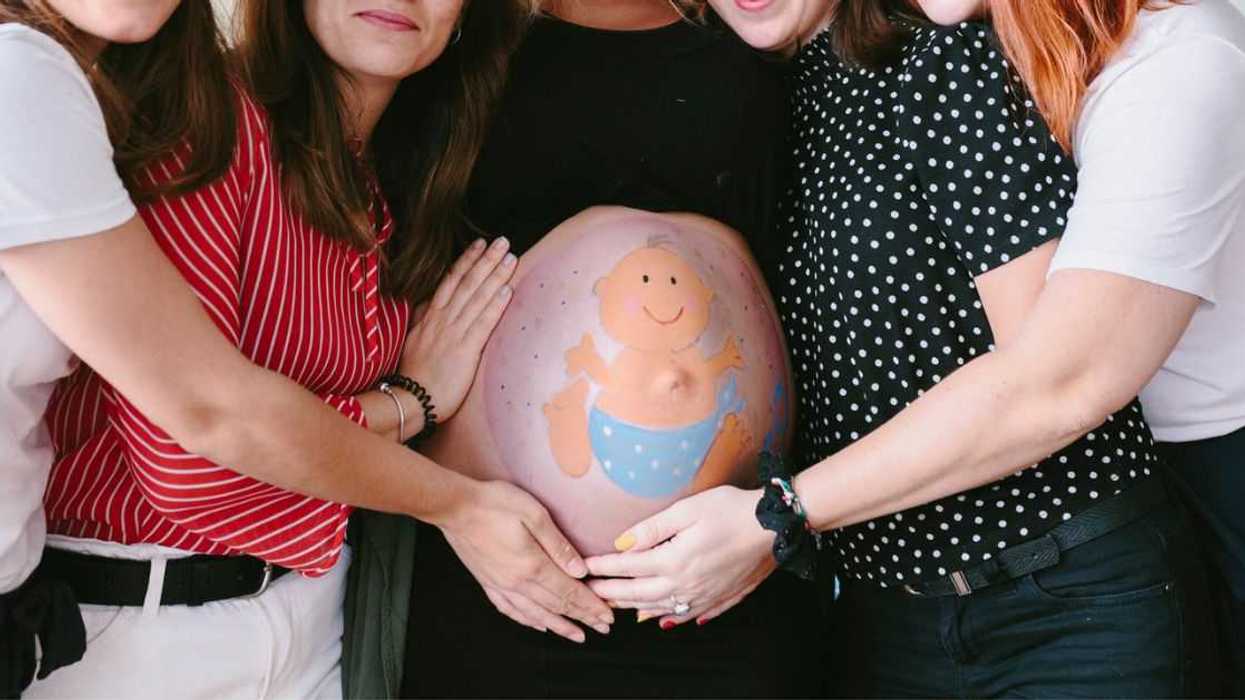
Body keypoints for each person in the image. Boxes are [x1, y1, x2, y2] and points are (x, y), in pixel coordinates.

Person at [587, 0, 1227, 696]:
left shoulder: (939, 62)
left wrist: (775, 515)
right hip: (885, 625)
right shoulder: (755, 118)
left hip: (1063, 598)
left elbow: (1046, 387)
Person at [8, 0, 609, 697]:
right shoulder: (206, 121)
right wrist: (409, 411)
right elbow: (193, 459)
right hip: (138, 628)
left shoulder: (396, 186)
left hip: (317, 624)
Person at [386, 1, 826, 698]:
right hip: (505, 579)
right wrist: (446, 504)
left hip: (727, 582)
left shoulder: (760, 29)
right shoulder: (440, 40)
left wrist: (779, 522)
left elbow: (819, 314)